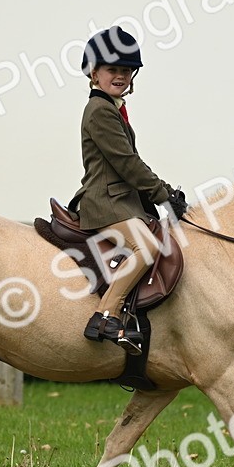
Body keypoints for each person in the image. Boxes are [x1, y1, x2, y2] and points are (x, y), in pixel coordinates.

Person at [68, 26, 188, 354]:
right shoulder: (99, 110)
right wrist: (162, 193)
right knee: (146, 248)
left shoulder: (112, 106)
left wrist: (160, 195)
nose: (120, 76)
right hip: (105, 202)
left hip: (123, 200)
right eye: (112, 70)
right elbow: (126, 163)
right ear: (93, 73)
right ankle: (105, 316)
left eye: (126, 70)